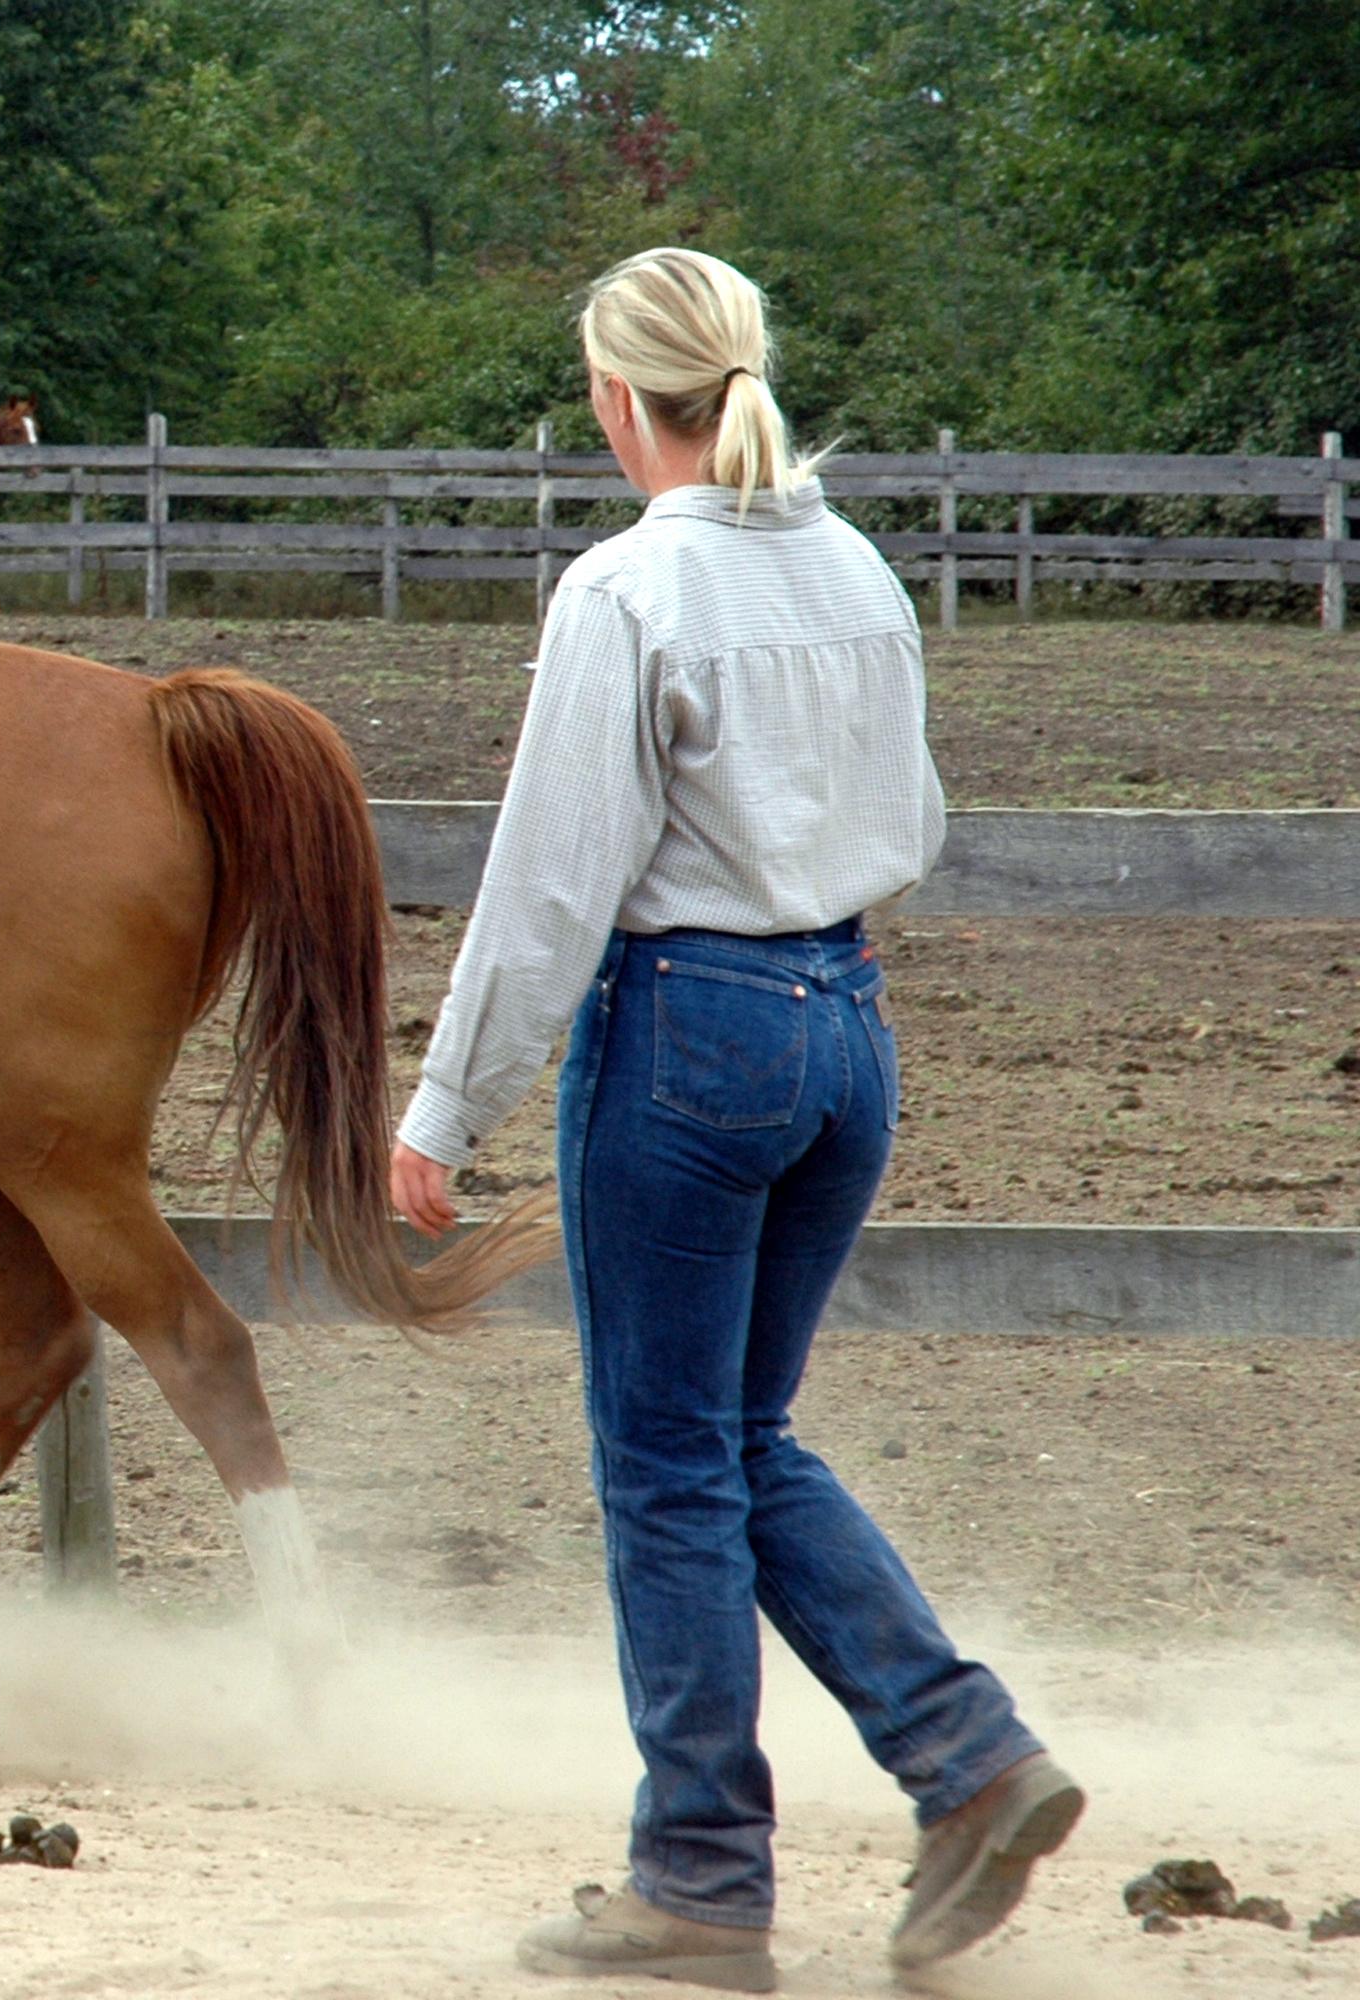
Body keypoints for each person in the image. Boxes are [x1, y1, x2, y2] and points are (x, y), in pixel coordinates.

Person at [389, 247, 1079, 1991]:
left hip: (686, 1039)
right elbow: (906, 811)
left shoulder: (627, 590)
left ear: (618, 402)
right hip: (844, 1028)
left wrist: (444, 1107)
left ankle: (699, 1875)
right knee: (735, 1437)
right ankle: (965, 1756)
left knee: (665, 1459)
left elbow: (548, 888)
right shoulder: (854, 568)